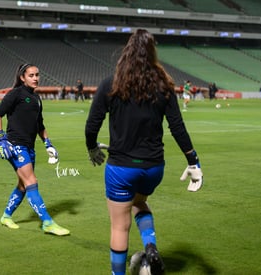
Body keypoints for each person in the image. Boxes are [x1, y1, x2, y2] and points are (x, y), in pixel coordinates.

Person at [84, 29, 203, 275]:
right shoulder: (164, 86)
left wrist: (92, 147)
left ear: (126, 52)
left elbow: (92, 124)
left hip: (121, 168)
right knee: (139, 202)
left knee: (119, 226)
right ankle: (150, 249)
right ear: (152, 54)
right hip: (153, 168)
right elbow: (177, 127)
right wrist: (193, 161)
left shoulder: (111, 83)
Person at [0, 63, 70, 236]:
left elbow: (40, 125)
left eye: (37, 75)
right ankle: (48, 222)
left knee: (22, 185)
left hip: (30, 147)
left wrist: (48, 143)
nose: (35, 78)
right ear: (22, 77)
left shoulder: (37, 99)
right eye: (31, 75)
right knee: (31, 182)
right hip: (15, 146)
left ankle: (6, 216)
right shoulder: (15, 94)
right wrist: (0, 139)